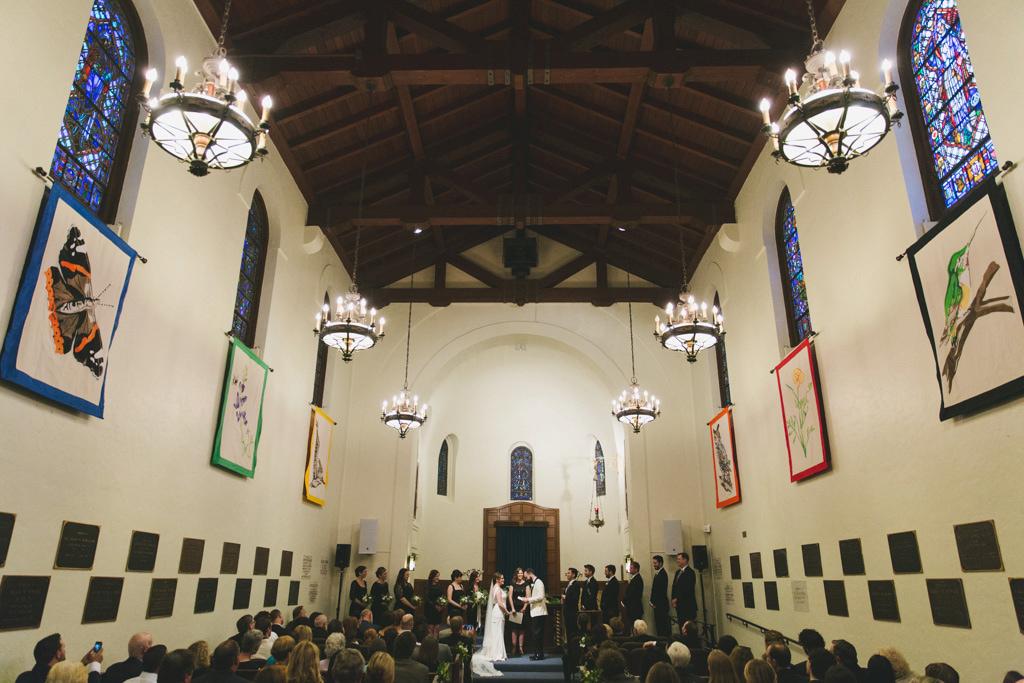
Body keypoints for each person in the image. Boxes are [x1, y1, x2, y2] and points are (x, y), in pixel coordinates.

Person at [18, 634, 103, 683]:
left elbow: (66, 673)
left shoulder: (23, 677)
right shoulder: (57, 679)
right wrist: (95, 664)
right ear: (58, 654)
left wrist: (84, 662)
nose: (65, 651)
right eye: (63, 648)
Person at [472, 571, 510, 677]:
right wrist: (507, 612)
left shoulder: (497, 588)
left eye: (503, 578)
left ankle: (497, 652)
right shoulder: (497, 589)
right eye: (502, 578)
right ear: (497, 579)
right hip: (498, 612)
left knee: (498, 632)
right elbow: (500, 602)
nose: (503, 580)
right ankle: (496, 654)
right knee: (497, 633)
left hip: (498, 612)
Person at [520, 568, 548, 661]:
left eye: (526, 576)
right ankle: (537, 653)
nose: (526, 578)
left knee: (537, 634)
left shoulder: (539, 582)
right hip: (535, 612)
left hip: (539, 612)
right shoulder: (534, 582)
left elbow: (541, 597)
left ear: (529, 573)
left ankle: (539, 655)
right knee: (536, 634)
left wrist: (528, 599)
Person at [671, 554, 697, 630]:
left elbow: (688, 589)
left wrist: (677, 598)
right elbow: (674, 586)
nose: (677, 561)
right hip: (679, 606)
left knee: (688, 628)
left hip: (687, 605)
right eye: (677, 559)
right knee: (681, 627)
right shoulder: (677, 572)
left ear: (685, 560)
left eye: (679, 559)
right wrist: (673, 598)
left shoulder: (690, 572)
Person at [508, 567, 529, 657]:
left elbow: (528, 597)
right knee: (514, 629)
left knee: (522, 629)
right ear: (516, 574)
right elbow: (510, 596)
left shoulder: (526, 584)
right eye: (518, 573)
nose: (520, 574)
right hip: (514, 609)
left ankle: (520, 647)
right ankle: (514, 646)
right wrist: (512, 608)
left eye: (521, 573)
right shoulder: (512, 583)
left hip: (523, 609)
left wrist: (524, 607)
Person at [649, 556, 670, 638]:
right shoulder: (658, 573)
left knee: (662, 627)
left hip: (661, 605)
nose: (654, 565)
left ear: (660, 563)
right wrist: (651, 601)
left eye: (655, 563)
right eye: (653, 563)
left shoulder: (663, 574)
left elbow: (661, 591)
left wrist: (655, 603)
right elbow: (654, 589)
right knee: (659, 627)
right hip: (658, 605)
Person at [424, 570, 445, 637]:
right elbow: (427, 598)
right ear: (432, 577)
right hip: (430, 609)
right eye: (436, 576)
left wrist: (442, 605)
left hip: (438, 610)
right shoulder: (427, 586)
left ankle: (435, 642)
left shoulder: (438, 587)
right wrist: (435, 606)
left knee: (437, 628)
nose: (438, 578)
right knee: (430, 628)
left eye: (438, 576)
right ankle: (430, 643)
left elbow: (441, 597)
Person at [564, 568, 582, 639]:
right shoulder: (569, 584)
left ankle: (574, 647)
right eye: (567, 573)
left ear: (573, 575)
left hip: (572, 611)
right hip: (567, 611)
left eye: (568, 573)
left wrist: (565, 597)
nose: (567, 575)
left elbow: (575, 599)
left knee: (572, 631)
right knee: (568, 630)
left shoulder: (576, 585)